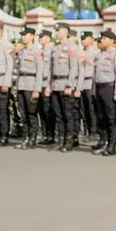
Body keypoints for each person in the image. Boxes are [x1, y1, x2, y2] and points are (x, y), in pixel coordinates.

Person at [91, 29, 116, 156]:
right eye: (102, 38)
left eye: (105, 39)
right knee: (101, 117)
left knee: (111, 118)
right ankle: (103, 141)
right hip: (99, 88)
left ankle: (112, 144)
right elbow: (96, 75)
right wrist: (94, 90)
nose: (102, 40)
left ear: (111, 41)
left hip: (109, 88)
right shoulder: (99, 55)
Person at [48, 23, 79, 151]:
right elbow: (51, 68)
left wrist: (69, 85)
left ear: (66, 31)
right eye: (55, 31)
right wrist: (49, 85)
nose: (56, 33)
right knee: (58, 115)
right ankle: (61, 140)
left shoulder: (72, 47)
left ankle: (69, 141)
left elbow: (74, 67)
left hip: (66, 84)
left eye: (58, 31)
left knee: (68, 115)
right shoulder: (55, 48)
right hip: (55, 84)